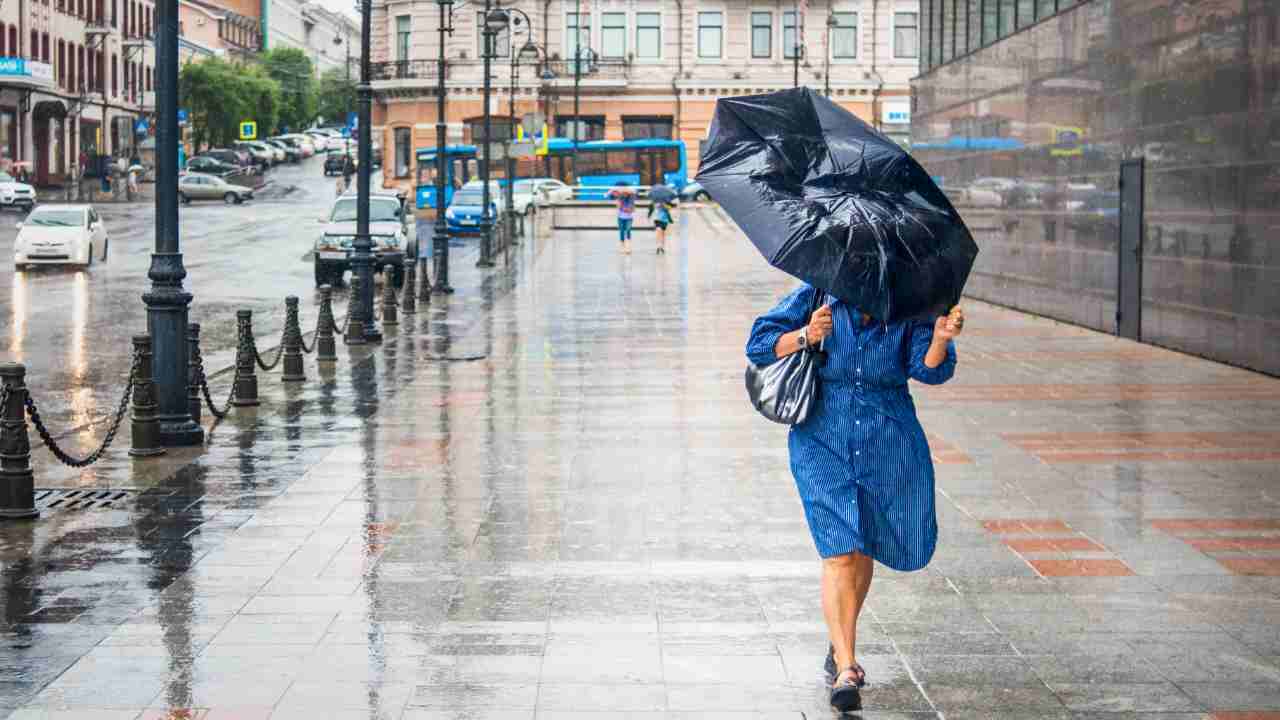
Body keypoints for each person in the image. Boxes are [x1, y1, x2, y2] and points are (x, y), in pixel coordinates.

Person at [745, 290, 964, 711]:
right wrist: (806, 334)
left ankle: (838, 637)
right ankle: (847, 667)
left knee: (863, 545)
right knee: (840, 551)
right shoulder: (817, 293)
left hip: (889, 440)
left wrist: (940, 338)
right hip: (821, 437)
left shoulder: (911, 305)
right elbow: (758, 344)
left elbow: (929, 371)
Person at [606, 182, 636, 254]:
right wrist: (619, 203)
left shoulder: (631, 197)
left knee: (628, 230)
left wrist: (627, 208)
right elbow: (609, 196)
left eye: (625, 192)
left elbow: (632, 209)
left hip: (629, 218)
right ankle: (622, 247)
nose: (624, 194)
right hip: (620, 217)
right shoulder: (619, 198)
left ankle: (628, 247)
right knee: (622, 231)